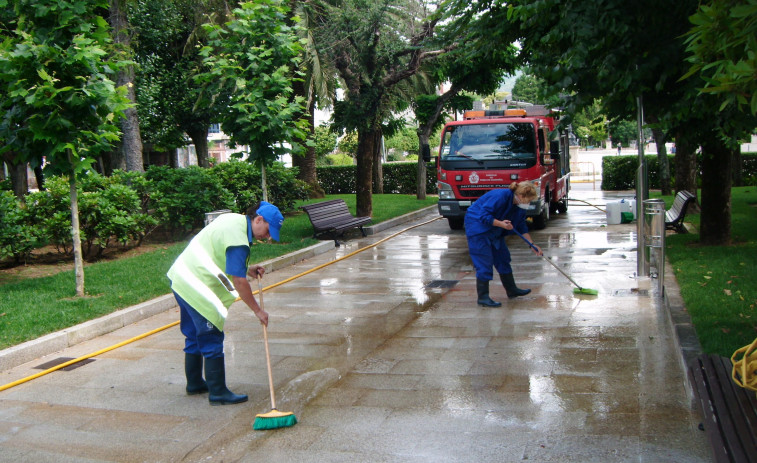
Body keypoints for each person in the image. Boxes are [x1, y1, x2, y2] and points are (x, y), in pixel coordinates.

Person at [166, 201, 284, 405]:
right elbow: (238, 282)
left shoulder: (234, 220)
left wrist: (247, 268)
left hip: (181, 278)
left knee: (194, 334)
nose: (268, 236)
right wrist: (258, 311)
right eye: (267, 230)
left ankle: (194, 384)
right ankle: (218, 392)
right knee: (211, 336)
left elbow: (220, 252)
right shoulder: (239, 239)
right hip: (197, 286)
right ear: (258, 219)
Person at [464, 183, 542, 307]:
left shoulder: (519, 206)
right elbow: (483, 216)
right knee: (484, 261)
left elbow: (521, 225)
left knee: (503, 258)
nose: (529, 203)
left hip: (496, 231)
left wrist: (531, 244)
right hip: (478, 229)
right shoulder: (500, 196)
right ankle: (483, 297)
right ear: (521, 195)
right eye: (529, 200)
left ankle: (511, 290)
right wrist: (501, 224)